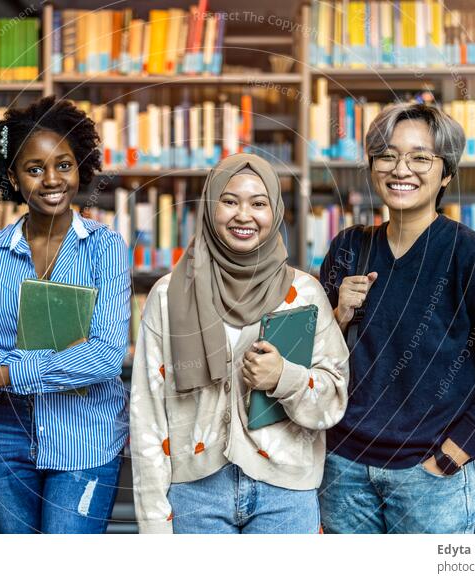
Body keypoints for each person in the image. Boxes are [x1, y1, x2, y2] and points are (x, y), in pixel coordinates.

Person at [318, 102, 475, 534]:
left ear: (446, 174)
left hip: (429, 477)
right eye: (387, 155)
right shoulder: (348, 248)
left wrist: (453, 454)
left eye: (421, 157)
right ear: (373, 166)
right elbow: (313, 361)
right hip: (343, 469)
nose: (402, 169)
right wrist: (338, 315)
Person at [130, 153, 349, 534]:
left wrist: (286, 378)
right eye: (229, 201)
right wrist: (152, 521)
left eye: (258, 203)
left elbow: (333, 399)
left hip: (286, 492)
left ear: (276, 211)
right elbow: (147, 412)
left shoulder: (304, 294)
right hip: (195, 494)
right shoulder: (167, 296)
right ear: (210, 207)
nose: (243, 215)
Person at [0, 96, 131, 534]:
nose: (52, 180)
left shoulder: (107, 250)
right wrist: (62, 358)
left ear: (80, 167)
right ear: (12, 176)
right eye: (35, 169)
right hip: (6, 437)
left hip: (86, 436)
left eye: (64, 165)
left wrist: (7, 371)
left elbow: (104, 357)